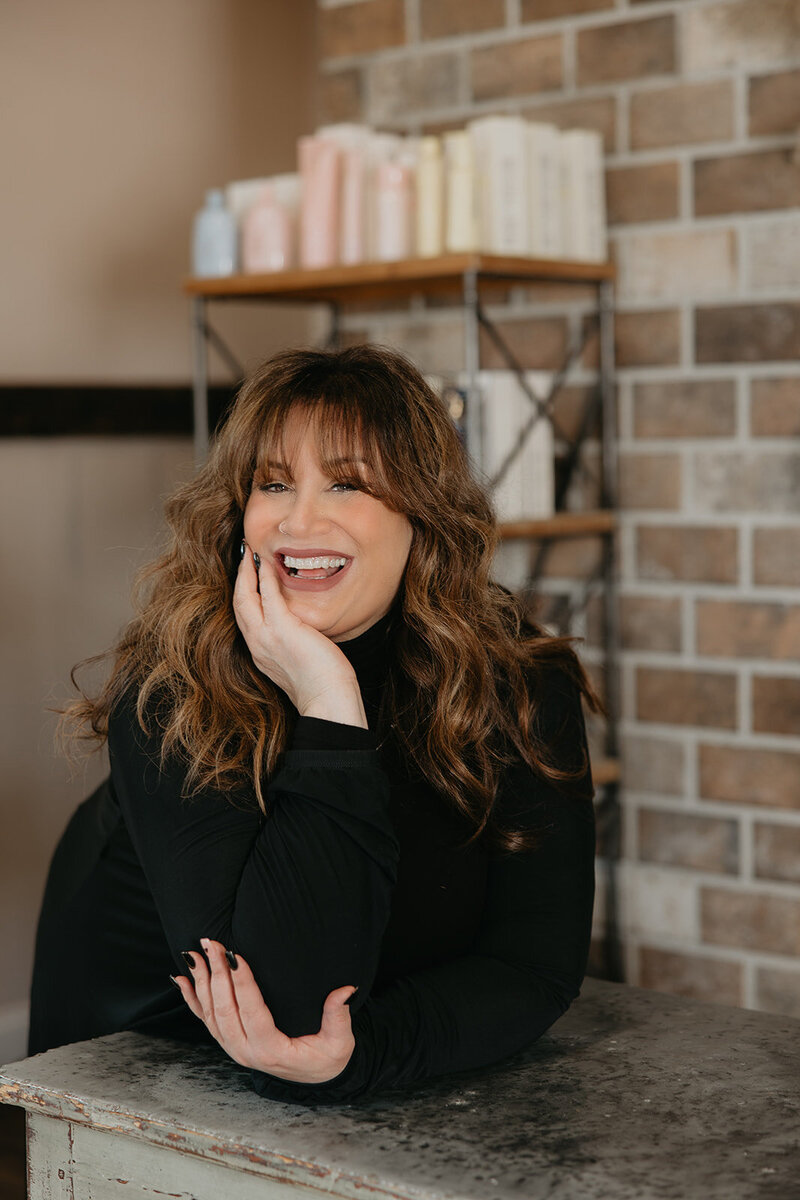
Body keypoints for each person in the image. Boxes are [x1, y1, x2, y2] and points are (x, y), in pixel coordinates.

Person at [29, 343, 599, 1105]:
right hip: (146, 1058)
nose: (299, 521)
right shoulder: (175, 689)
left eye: (346, 483)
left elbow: (535, 964)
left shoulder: (522, 681)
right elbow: (288, 1005)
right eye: (273, 483)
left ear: (422, 513)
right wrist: (328, 701)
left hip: (374, 1054)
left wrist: (365, 1053)